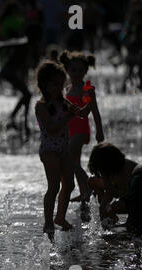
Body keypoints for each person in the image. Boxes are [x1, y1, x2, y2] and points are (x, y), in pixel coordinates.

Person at [34, 61, 93, 238]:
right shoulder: (41, 106)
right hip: (49, 151)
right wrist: (68, 116)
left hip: (64, 149)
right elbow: (52, 128)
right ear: (44, 84)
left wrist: (89, 98)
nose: (58, 88)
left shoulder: (63, 102)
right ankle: (48, 222)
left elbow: (82, 113)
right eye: (54, 84)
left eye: (60, 84)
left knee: (69, 184)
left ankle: (60, 217)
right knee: (53, 186)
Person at [60, 50, 104, 221]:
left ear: (85, 71)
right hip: (69, 131)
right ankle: (83, 192)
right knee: (74, 161)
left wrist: (100, 130)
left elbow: (93, 111)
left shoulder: (87, 88)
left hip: (81, 131)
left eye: (80, 70)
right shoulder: (67, 88)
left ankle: (88, 187)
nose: (76, 73)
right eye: (73, 70)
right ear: (67, 71)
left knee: (69, 159)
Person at [88, 142, 142, 236]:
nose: (101, 174)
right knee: (92, 181)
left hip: (136, 196)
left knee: (132, 228)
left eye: (101, 172)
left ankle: (111, 218)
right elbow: (109, 190)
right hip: (125, 192)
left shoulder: (130, 172)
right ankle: (110, 218)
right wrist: (105, 208)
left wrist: (107, 209)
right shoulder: (110, 169)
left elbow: (111, 192)